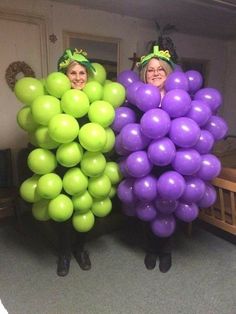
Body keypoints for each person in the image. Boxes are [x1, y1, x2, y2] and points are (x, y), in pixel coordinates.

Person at [55, 48, 95, 276]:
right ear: (64, 76)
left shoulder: (94, 102)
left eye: (82, 73)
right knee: (64, 213)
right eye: (73, 73)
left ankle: (80, 249)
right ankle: (64, 254)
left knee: (83, 208)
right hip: (63, 165)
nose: (78, 77)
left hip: (88, 165)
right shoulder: (55, 101)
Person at [138, 45, 175, 273]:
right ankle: (152, 249)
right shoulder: (138, 98)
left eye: (160, 68)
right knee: (147, 201)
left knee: (170, 204)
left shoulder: (177, 97)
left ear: (168, 72)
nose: (155, 73)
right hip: (145, 161)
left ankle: (166, 250)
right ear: (145, 74)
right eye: (150, 70)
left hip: (174, 161)